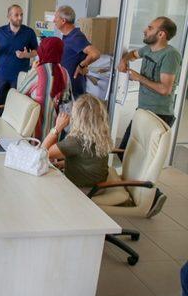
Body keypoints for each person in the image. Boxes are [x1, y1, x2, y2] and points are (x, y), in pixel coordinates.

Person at [117, 16, 181, 156]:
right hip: (143, 110)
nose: (145, 30)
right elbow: (132, 54)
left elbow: (165, 89)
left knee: (141, 158)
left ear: (161, 34)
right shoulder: (148, 49)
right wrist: (124, 60)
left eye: (150, 28)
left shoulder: (170, 55)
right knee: (123, 153)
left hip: (159, 115)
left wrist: (139, 78)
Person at [42, 94, 111, 189]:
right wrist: (65, 163)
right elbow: (88, 158)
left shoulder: (76, 141)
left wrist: (57, 128)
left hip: (85, 191)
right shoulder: (100, 133)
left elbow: (42, 152)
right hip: (99, 182)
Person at [17, 37, 72, 141]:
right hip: (54, 130)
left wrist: (31, 70)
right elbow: (65, 99)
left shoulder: (38, 71)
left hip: (32, 129)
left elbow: (20, 93)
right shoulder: (64, 72)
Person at [0, 4, 38, 110]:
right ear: (9, 16)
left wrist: (26, 55)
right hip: (2, 74)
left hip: (20, 75)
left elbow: (36, 51)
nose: (20, 18)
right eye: (16, 15)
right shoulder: (0, 32)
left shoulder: (29, 32)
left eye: (21, 15)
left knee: (17, 106)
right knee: (1, 105)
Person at [54, 5, 101, 98]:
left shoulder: (75, 37)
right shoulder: (67, 36)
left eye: (56, 18)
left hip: (74, 90)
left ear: (63, 21)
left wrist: (81, 65)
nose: (54, 20)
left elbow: (95, 54)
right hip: (66, 88)